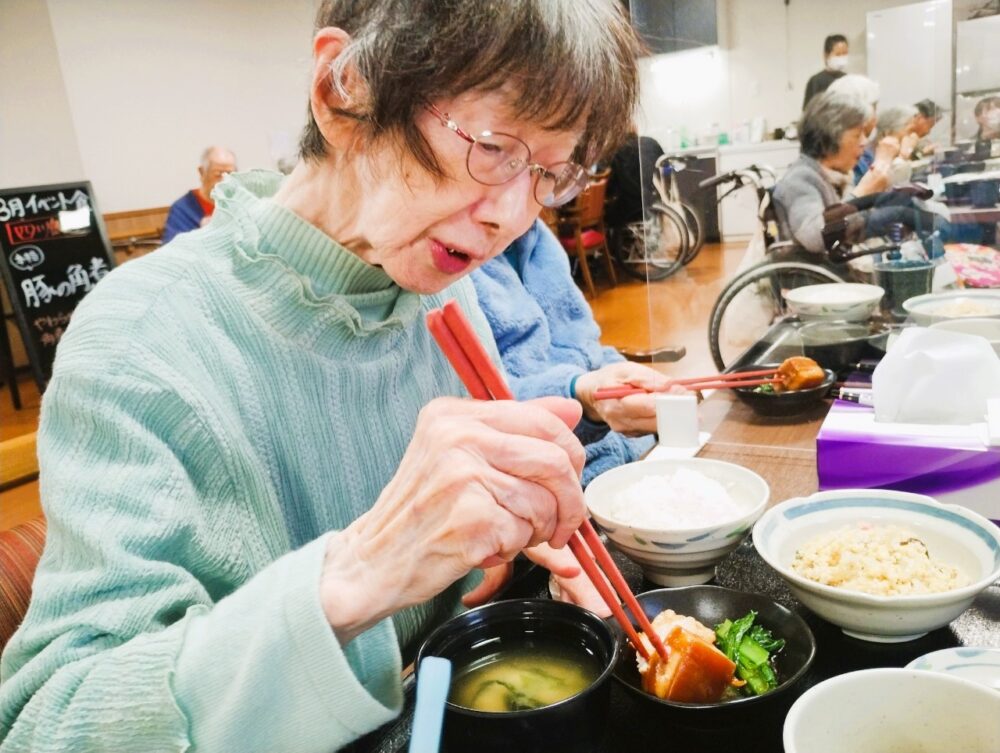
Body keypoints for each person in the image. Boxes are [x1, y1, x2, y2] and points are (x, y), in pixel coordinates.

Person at [0, 2, 643, 751]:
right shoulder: (140, 338)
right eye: (495, 146)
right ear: (346, 88)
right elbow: (50, 723)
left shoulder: (441, 285)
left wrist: (514, 544)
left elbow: (451, 584)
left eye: (547, 175)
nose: (511, 215)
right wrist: (363, 571)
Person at [471, 220, 683, 488]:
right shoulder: (457, 266)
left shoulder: (537, 237)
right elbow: (485, 400)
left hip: (638, 458)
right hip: (566, 483)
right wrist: (578, 392)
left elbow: (585, 344)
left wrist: (626, 377)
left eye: (547, 177)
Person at [773, 92, 922, 264]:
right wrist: (862, 193)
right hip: (815, 280)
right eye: (857, 135)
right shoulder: (800, 179)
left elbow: (854, 224)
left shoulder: (833, 175)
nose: (864, 142)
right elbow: (816, 237)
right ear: (830, 137)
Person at [161, 146, 238, 243]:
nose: (224, 181)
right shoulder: (183, 209)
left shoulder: (238, 203)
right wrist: (202, 234)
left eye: (229, 174)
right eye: (218, 174)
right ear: (202, 172)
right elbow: (171, 250)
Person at [604, 131, 664, 228]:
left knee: (607, 214)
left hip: (631, 208)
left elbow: (611, 188)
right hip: (659, 204)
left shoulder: (617, 151)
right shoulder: (651, 143)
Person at [853, 105, 919, 187]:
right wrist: (902, 159)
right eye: (909, 131)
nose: (912, 136)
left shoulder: (894, 155)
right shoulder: (863, 158)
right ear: (888, 132)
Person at [802, 33, 849, 108]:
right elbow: (808, 112)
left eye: (845, 54)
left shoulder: (848, 79)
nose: (842, 58)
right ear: (826, 55)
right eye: (838, 54)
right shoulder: (816, 81)